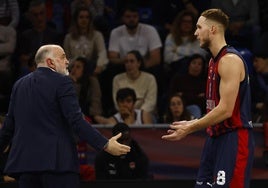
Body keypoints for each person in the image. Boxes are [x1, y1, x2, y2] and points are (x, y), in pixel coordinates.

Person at [0, 44, 131, 188]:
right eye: (63, 57)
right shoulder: (62, 82)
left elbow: (8, 127)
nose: (67, 61)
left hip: (26, 167)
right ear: (50, 62)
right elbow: (76, 121)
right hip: (57, 165)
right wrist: (105, 144)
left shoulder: (19, 85)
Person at [162, 9, 255, 188]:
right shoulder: (213, 61)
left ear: (212, 29)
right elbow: (215, 108)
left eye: (199, 27)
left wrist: (191, 127)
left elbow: (226, 109)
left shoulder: (229, 60)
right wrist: (196, 122)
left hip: (233, 138)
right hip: (214, 136)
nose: (195, 33)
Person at [63, 5, 108, 76]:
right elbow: (66, 59)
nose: (84, 20)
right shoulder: (68, 38)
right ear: (76, 19)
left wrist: (99, 66)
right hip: (73, 70)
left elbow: (102, 53)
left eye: (87, 17)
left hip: (91, 71)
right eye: (81, 17)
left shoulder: (97, 35)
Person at [112, 50, 157, 115]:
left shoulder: (150, 78)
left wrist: (137, 115)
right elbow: (116, 102)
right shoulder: (117, 79)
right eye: (126, 62)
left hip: (144, 114)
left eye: (132, 61)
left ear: (139, 63)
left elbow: (151, 103)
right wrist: (126, 112)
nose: (128, 64)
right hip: (123, 113)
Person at [69, 56, 103, 123]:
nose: (74, 70)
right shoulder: (67, 82)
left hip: (89, 116)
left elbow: (95, 103)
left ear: (85, 69)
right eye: (73, 66)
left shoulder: (92, 81)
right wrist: (74, 83)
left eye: (78, 67)